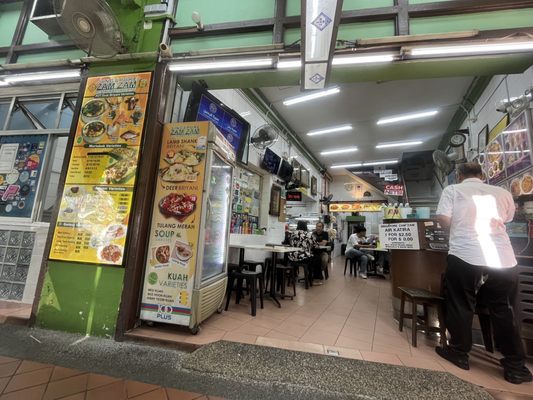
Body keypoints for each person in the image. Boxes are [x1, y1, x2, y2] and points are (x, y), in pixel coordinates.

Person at [435, 162, 531, 384]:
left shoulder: (452, 190)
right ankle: (516, 366)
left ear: (459, 175)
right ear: (483, 174)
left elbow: (443, 218)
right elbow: (507, 219)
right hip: (502, 257)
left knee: (461, 302)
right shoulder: (503, 192)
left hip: (465, 254)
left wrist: (457, 226)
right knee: (505, 308)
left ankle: (459, 353)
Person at [287, 221, 321, 285]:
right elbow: (316, 246)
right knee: (317, 259)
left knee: (313, 258)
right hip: (303, 258)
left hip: (292, 257)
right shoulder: (308, 234)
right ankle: (315, 279)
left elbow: (287, 243)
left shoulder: (292, 234)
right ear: (306, 227)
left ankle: (293, 276)